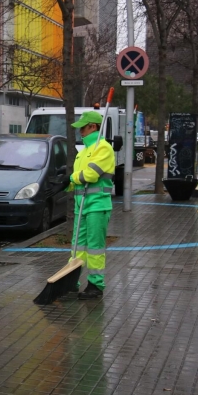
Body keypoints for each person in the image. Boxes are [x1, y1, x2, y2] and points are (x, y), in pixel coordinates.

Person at [69, 111, 115, 299]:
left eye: (83, 127)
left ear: (93, 127)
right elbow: (79, 178)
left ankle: (96, 285)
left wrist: (71, 178)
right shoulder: (84, 152)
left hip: (97, 205)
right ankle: (71, 281)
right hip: (81, 206)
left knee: (95, 247)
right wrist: (66, 184)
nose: (80, 130)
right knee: (77, 247)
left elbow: (90, 175)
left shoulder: (103, 148)